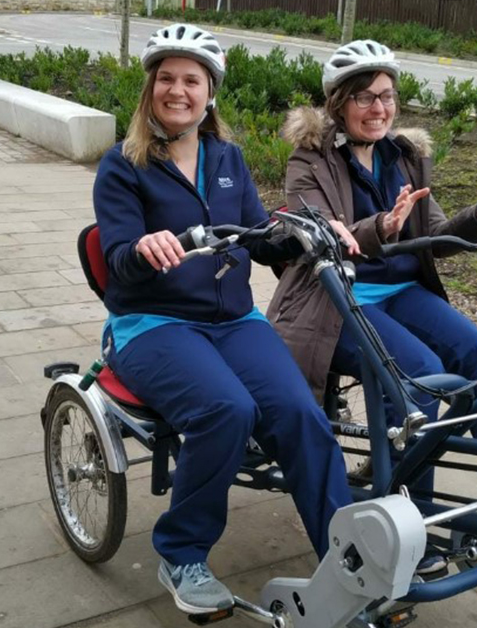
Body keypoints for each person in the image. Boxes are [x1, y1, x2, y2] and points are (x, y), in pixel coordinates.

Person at [92, 24, 353, 615]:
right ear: (149, 89)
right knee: (226, 411)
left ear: (210, 93)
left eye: (191, 80)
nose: (177, 90)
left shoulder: (227, 157)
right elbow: (116, 261)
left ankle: (345, 555)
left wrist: (304, 234)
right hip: (152, 325)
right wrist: (142, 248)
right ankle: (182, 551)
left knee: (300, 414)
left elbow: (260, 239)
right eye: (166, 78)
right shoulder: (123, 166)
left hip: (234, 321)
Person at [267, 39, 477, 572]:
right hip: (335, 299)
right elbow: (321, 235)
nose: (380, 109)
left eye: (388, 96)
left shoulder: (406, 156)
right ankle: (410, 524)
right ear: (338, 103)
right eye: (365, 97)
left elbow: (437, 236)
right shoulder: (310, 161)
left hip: (401, 292)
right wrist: (382, 226)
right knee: (418, 375)